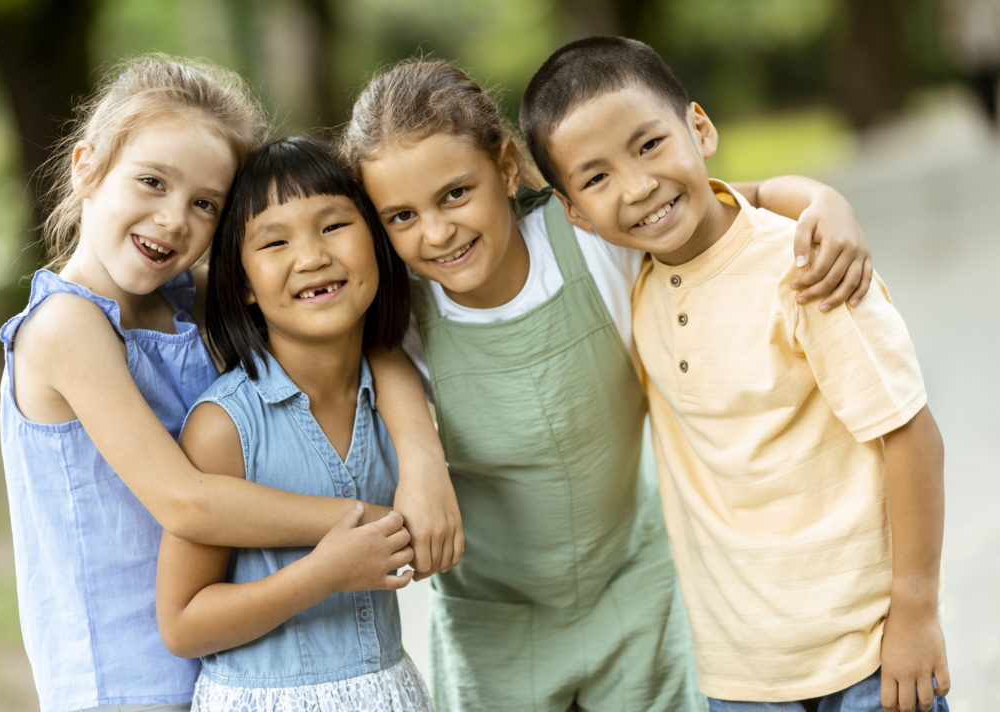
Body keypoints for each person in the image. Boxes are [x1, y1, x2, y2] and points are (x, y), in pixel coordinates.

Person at [340, 58, 875, 711]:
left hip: (635, 592)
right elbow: (371, 353)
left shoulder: (590, 234)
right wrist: (420, 459)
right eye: (400, 216)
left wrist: (823, 201)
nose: (437, 231)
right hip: (494, 622)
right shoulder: (403, 310)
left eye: (455, 193)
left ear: (507, 168)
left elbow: (735, 201)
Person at [0, 55, 457, 712]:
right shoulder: (65, 326)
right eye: (152, 182)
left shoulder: (186, 300)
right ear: (87, 168)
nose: (172, 218)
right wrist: (369, 526)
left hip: (231, 654)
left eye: (204, 203)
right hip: (118, 677)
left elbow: (350, 335)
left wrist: (421, 460)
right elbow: (186, 502)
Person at [519, 35, 950, 712]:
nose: (637, 186)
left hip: (868, 654)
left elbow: (911, 435)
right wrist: (814, 192)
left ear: (700, 128)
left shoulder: (806, 266)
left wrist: (916, 612)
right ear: (574, 212)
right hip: (738, 676)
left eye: (650, 144)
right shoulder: (633, 280)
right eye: (596, 178)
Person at [155, 135, 434, 711]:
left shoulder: (394, 396)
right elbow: (182, 624)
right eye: (275, 241)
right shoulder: (225, 428)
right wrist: (321, 575)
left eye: (333, 226)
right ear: (244, 285)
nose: (311, 257)